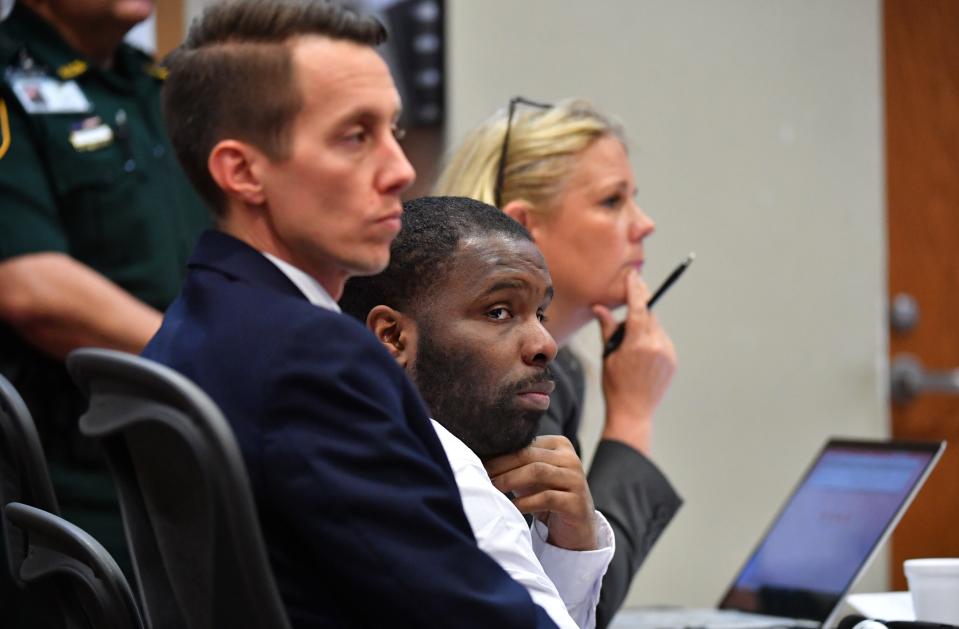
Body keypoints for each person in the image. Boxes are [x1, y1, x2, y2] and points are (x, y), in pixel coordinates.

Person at [143, 1, 559, 626]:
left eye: (392, 130)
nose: (400, 169)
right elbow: (465, 614)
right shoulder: (314, 359)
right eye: (355, 136)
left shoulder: (199, 318)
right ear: (242, 171)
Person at [435, 98, 683, 627]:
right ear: (523, 224)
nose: (645, 225)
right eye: (612, 202)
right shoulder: (483, 376)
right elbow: (578, 604)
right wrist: (633, 418)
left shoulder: (563, 369)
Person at [0, 0, 208, 601]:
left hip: (188, 458)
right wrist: (211, 363)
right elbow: (31, 288)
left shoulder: (159, 87)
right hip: (74, 476)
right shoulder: (10, 85)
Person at [341, 195, 616, 629]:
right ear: (392, 337)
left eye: (540, 312)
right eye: (499, 312)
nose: (545, 343)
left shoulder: (354, 439)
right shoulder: (445, 476)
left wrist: (572, 549)